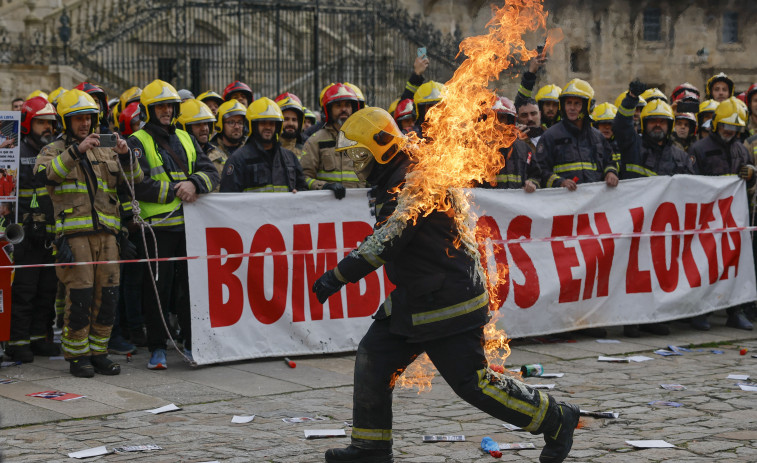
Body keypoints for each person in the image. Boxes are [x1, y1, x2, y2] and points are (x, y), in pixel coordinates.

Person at [314, 107, 580, 463]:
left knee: (474, 384)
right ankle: (370, 448)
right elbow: (387, 236)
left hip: (448, 302)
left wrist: (338, 276)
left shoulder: (414, 181)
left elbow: (387, 241)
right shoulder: (395, 177)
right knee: (374, 358)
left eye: (359, 156)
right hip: (416, 298)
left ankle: (557, 419)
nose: (356, 165)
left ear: (380, 149)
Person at [34, 89, 143, 377]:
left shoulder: (106, 149)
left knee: (107, 296)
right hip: (74, 236)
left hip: (108, 235)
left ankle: (99, 352)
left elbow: (135, 183)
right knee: (79, 297)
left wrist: (127, 157)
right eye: (78, 119)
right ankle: (77, 355)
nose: (84, 124)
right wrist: (75, 152)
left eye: (88, 118)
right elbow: (44, 176)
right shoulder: (53, 150)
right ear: (65, 122)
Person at [127, 80, 219, 369]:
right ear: (149, 110)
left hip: (190, 227)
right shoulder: (136, 141)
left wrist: (193, 183)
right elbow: (137, 185)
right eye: (160, 106)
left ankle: (191, 344)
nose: (166, 111)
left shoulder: (188, 138)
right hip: (158, 229)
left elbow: (210, 173)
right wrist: (180, 190)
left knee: (190, 290)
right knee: (158, 290)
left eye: (170, 106)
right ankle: (157, 348)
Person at [614, 82, 695, 337]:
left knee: (659, 273)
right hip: (635, 224)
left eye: (662, 121)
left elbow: (694, 188)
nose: (657, 126)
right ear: (645, 124)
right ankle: (631, 321)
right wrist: (630, 98)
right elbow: (620, 126)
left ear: (669, 125)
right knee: (633, 274)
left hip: (663, 228)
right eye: (652, 122)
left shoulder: (679, 156)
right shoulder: (633, 147)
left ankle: (653, 318)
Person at [689, 97, 754, 331]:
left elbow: (747, 185)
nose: (730, 131)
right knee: (705, 263)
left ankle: (734, 311)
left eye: (735, 128)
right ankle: (701, 311)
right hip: (707, 219)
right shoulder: (699, 149)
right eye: (727, 126)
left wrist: (752, 174)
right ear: (716, 124)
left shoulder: (741, 150)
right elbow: (692, 184)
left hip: (734, 220)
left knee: (734, 265)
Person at [6, 96, 59, 363]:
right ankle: (18, 341)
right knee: (25, 289)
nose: (47, 128)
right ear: (28, 123)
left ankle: (40, 337)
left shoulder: (56, 152)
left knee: (47, 289)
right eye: (41, 122)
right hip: (24, 233)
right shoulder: (15, 151)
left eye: (50, 122)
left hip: (49, 233)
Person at [534, 78, 618, 190]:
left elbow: (610, 162)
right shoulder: (550, 136)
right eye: (568, 103)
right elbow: (540, 169)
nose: (572, 108)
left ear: (587, 106)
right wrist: (560, 182)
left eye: (577, 103)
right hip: (564, 201)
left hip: (594, 201)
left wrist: (610, 173)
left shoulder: (598, 137)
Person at [220, 97, 308, 193]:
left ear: (278, 126)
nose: (268, 127)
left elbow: (303, 190)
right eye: (263, 123)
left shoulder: (290, 158)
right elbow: (228, 199)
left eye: (271, 123)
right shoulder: (238, 159)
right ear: (253, 126)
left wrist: (297, 192)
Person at [301, 83, 365, 197]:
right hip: (327, 210)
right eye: (338, 106)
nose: (344, 109)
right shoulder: (315, 141)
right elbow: (303, 177)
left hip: (358, 210)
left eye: (347, 105)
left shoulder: (364, 140)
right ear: (329, 110)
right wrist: (324, 186)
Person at [490, 96, 540, 191]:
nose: (498, 123)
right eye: (494, 118)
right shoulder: (478, 153)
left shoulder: (523, 148)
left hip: (516, 204)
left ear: (509, 121)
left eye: (502, 118)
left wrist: (532, 183)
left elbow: (536, 175)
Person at [177, 99, 225, 182]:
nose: (205, 128)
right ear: (184, 128)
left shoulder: (219, 153)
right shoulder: (177, 156)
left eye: (206, 123)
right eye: (198, 124)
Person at [590, 102, 620, 170]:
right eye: (603, 123)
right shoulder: (588, 146)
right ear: (595, 126)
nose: (607, 127)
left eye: (610, 124)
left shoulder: (621, 146)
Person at [275, 92, 306, 157]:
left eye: (294, 120)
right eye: (286, 119)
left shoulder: (308, 149)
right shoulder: (267, 149)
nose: (290, 123)